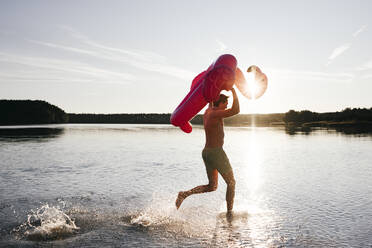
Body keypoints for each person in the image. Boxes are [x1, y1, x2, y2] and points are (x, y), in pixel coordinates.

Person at [175, 87, 239, 213]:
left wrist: (217, 86)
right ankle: (229, 213)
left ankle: (184, 194)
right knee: (231, 183)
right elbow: (236, 110)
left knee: (212, 186)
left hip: (207, 152)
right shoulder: (216, 113)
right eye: (225, 104)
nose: (226, 107)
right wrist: (233, 90)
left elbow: (211, 100)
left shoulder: (208, 111)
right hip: (216, 153)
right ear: (219, 103)